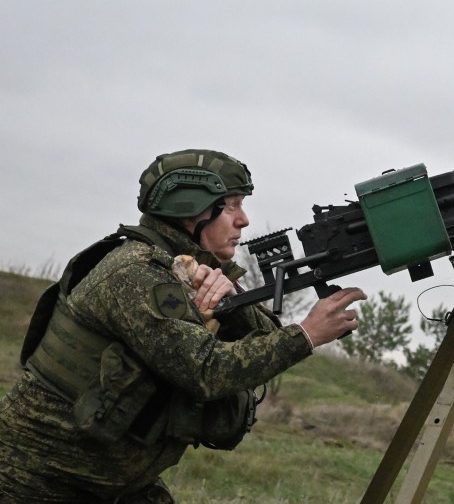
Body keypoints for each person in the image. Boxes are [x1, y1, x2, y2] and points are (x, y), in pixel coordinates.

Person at [0, 149, 366, 502]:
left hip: (117, 485)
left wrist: (228, 304)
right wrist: (306, 334)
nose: (244, 220)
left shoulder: (181, 266)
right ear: (192, 208)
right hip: (39, 480)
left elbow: (268, 338)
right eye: (233, 205)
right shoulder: (136, 273)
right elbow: (207, 372)